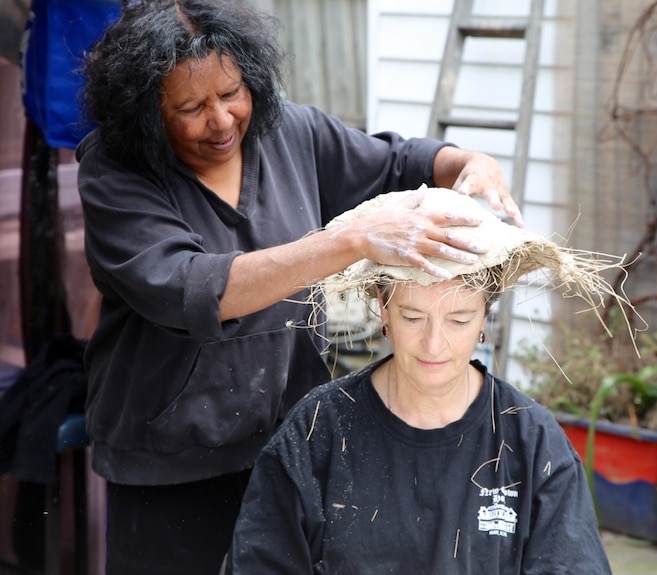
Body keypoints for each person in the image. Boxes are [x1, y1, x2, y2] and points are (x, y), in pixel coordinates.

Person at [75, 1, 524, 573]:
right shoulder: (115, 172)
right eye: (190, 107)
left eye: (232, 92)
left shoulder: (290, 132)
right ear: (144, 112)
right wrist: (351, 241)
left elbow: (396, 162)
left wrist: (470, 160)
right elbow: (192, 289)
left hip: (289, 441)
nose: (221, 121)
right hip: (170, 459)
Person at [227, 189, 628, 574]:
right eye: (412, 317)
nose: (434, 345)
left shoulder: (532, 441)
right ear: (382, 309)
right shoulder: (317, 433)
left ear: (485, 317)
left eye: (459, 319)